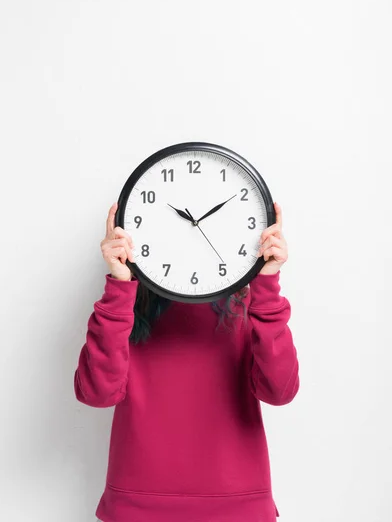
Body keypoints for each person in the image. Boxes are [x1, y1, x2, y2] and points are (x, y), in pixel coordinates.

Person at [74, 200, 299, 522]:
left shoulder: (249, 305)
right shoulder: (123, 307)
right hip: (137, 509)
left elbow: (280, 392)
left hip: (237, 509)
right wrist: (119, 285)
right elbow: (96, 394)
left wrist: (267, 284)